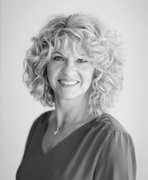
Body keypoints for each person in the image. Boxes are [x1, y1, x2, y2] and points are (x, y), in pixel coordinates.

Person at [16, 13, 136, 180]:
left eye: (81, 60)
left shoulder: (111, 138)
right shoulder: (39, 125)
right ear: (44, 65)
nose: (68, 70)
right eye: (58, 58)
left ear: (98, 71)